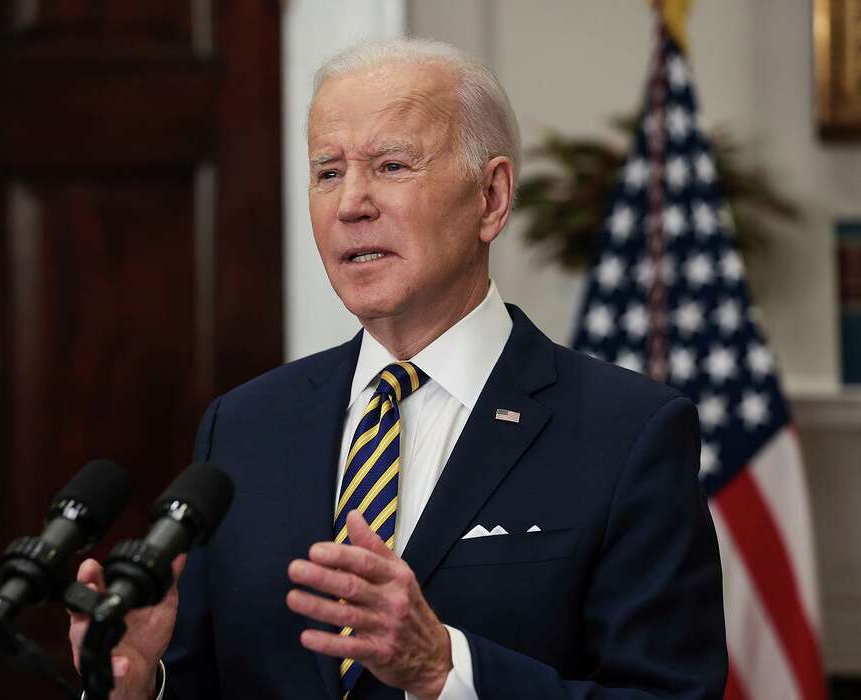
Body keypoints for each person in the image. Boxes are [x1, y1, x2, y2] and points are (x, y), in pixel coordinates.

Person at [68, 38, 727, 700]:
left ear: (491, 198)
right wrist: (141, 686)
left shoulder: (628, 434)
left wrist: (445, 671)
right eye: (327, 172)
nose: (352, 203)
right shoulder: (244, 426)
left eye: (390, 166)